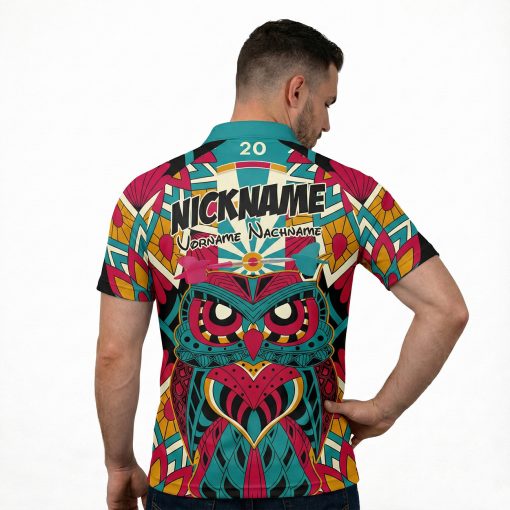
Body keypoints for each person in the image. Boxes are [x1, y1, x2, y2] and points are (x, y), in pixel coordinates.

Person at [94, 18, 469, 510]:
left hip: (187, 482)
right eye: (327, 103)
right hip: (316, 482)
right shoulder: (351, 194)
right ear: (296, 91)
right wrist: (383, 410)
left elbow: (115, 353)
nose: (327, 124)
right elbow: (446, 309)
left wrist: (120, 465)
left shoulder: (145, 199)